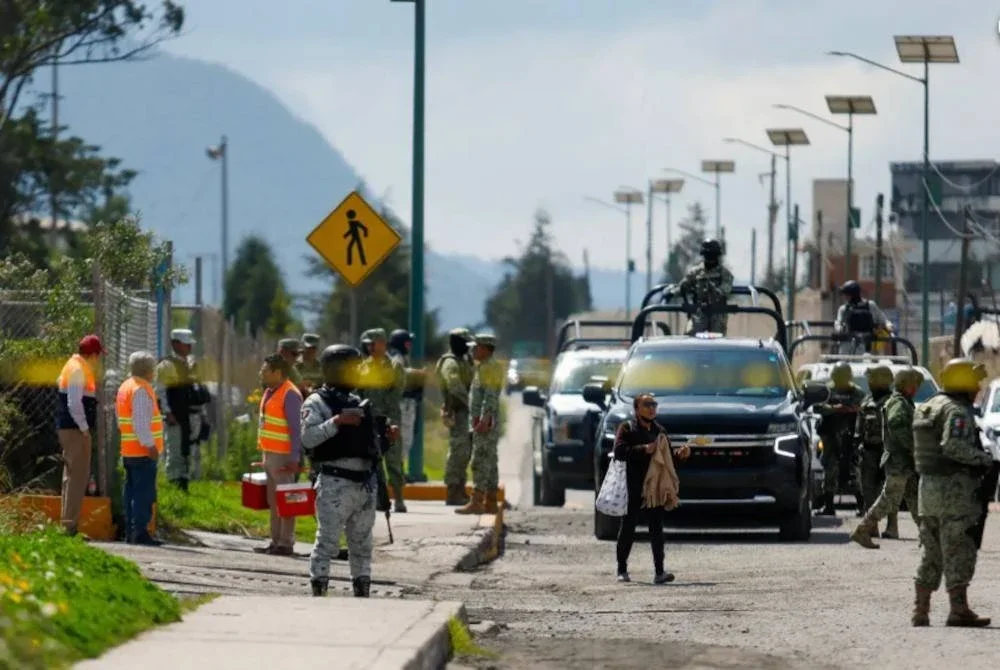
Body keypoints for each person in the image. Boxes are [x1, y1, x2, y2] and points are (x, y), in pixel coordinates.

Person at [911, 358, 992, 628]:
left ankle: (920, 611)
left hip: (929, 494)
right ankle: (959, 610)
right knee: (959, 549)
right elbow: (953, 446)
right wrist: (984, 460)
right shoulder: (956, 411)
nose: (978, 388)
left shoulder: (928, 406)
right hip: (954, 494)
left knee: (931, 552)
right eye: (975, 382)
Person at [302, 344, 383, 598]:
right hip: (335, 481)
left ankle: (362, 589)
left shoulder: (358, 402)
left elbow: (369, 446)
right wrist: (337, 422)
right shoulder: (317, 402)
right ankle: (319, 589)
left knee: (362, 544)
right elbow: (308, 438)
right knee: (327, 541)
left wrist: (386, 438)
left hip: (363, 485)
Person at [613, 393, 691, 583]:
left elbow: (667, 462)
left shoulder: (660, 431)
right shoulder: (627, 428)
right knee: (628, 526)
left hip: (654, 488)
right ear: (637, 408)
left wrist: (680, 455)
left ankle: (659, 572)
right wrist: (643, 449)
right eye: (647, 404)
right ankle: (622, 569)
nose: (651, 408)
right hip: (633, 485)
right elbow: (619, 452)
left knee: (656, 529)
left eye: (654, 404)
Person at [851, 368, 923, 549]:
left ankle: (929, 535)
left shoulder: (903, 401)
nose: (916, 389)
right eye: (913, 385)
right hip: (898, 460)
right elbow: (896, 423)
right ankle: (863, 529)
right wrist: (912, 446)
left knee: (914, 498)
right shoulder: (898, 403)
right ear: (906, 385)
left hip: (904, 462)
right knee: (889, 499)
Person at [252, 354, 303, 556]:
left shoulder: (290, 394)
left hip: (283, 456)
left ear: (277, 373)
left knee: (287, 500)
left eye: (265, 370)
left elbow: (296, 429)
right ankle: (275, 541)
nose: (261, 373)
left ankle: (286, 543)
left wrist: (294, 458)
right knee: (274, 500)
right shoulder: (271, 391)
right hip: (271, 453)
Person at [55, 334, 103, 537]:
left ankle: (67, 523)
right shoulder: (78, 370)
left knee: (70, 477)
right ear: (93, 354)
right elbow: (74, 403)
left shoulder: (71, 365)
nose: (99, 360)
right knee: (78, 479)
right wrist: (84, 428)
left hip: (69, 428)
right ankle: (69, 528)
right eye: (98, 356)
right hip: (75, 430)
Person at [115, 351, 164, 546]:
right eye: (153, 369)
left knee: (131, 492)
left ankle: (130, 531)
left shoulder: (125, 387)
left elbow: (122, 420)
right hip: (143, 451)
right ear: (147, 370)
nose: (155, 372)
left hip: (129, 449)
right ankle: (140, 532)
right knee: (144, 493)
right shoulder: (141, 390)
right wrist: (150, 445)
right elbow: (141, 423)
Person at [358, 328, 407, 512]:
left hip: (389, 419)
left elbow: (396, 395)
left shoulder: (395, 367)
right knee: (374, 462)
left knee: (394, 461)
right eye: (368, 343)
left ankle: (400, 498)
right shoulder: (363, 367)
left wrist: (389, 419)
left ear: (383, 344)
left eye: (373, 343)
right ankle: (380, 498)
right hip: (369, 421)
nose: (370, 347)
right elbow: (358, 393)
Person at [457, 334, 504, 515]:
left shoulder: (489, 368)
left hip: (484, 424)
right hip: (483, 422)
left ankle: (477, 501)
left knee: (480, 461)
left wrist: (485, 419)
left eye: (476, 347)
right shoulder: (484, 367)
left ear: (485, 348)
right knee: (490, 463)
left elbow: (490, 395)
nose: (473, 350)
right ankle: (491, 502)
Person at [813, 362, 865, 516]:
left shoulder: (857, 392)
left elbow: (863, 407)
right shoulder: (826, 391)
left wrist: (850, 409)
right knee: (830, 469)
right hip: (830, 436)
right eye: (838, 377)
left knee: (854, 470)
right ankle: (829, 506)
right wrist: (835, 409)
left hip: (850, 436)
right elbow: (818, 407)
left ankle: (862, 506)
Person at [155, 329, 200, 492]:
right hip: (174, 414)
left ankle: (184, 481)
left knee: (187, 449)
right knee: (174, 449)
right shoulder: (166, 366)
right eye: (185, 344)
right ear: (175, 344)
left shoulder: (189, 364)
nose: (189, 347)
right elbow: (160, 391)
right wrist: (167, 412)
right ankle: (174, 484)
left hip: (189, 414)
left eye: (189, 344)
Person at [437, 328, 476, 505]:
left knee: (465, 452)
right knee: (458, 452)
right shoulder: (450, 363)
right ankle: (453, 491)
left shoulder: (464, 360)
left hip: (466, 413)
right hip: (458, 412)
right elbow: (455, 387)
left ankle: (460, 489)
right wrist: (471, 403)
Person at [854, 366, 893, 522]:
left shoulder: (893, 401)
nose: (869, 383)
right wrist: (857, 445)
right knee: (867, 488)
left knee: (889, 489)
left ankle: (892, 524)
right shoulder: (867, 401)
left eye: (872, 379)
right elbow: (859, 425)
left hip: (888, 452)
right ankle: (871, 524)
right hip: (869, 451)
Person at [676, 238, 734, 335]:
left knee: (717, 341)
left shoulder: (725, 274)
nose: (710, 259)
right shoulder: (696, 272)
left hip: (717, 313)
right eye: (707, 255)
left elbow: (725, 290)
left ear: (717, 256)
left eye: (712, 255)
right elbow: (683, 285)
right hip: (699, 313)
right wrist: (672, 291)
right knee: (690, 338)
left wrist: (715, 290)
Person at [389, 329, 423, 471]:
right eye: (407, 343)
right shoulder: (397, 359)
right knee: (403, 440)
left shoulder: (402, 358)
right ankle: (397, 471)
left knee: (406, 440)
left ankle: (399, 470)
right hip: (402, 405)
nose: (410, 346)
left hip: (407, 404)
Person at [834, 281, 893, 354]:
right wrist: (840, 329)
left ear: (853, 295)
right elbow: (838, 324)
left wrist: (888, 326)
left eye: (847, 295)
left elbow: (883, 320)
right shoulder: (843, 309)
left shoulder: (870, 306)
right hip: (847, 348)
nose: (845, 297)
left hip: (867, 348)